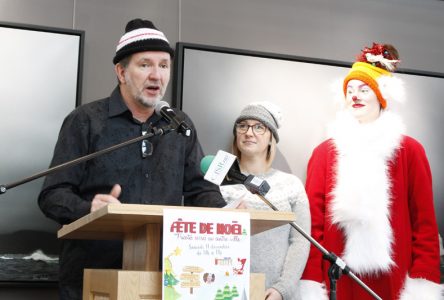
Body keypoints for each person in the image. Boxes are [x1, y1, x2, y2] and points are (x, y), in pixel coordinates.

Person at [38, 19, 226, 300]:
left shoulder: (179, 125)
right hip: (93, 278)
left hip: (163, 279)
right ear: (121, 71)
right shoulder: (85, 120)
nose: (156, 75)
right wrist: (90, 208)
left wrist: (228, 215)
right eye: (145, 65)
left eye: (164, 66)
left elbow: (202, 190)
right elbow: (52, 195)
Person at [299, 43, 443, 299]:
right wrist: (311, 281)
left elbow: (425, 226)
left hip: (395, 279)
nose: (355, 96)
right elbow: (313, 228)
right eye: (350, 90)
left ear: (381, 96)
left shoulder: (410, 151)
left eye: (364, 89)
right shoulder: (324, 153)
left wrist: (422, 281)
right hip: (337, 277)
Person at [220, 102, 311, 300]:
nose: (249, 132)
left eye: (258, 127)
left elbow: (301, 242)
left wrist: (283, 288)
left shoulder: (291, 184)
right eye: (242, 125)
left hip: (274, 294)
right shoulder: (216, 186)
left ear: (271, 138)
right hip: (226, 290)